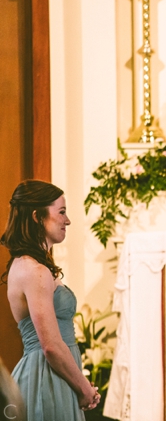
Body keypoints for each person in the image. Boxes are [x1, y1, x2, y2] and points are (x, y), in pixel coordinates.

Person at [1, 180, 100, 420]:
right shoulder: (35, 270)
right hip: (48, 379)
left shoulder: (28, 265)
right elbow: (52, 346)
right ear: (37, 216)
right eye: (62, 212)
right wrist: (85, 389)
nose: (67, 221)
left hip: (56, 376)